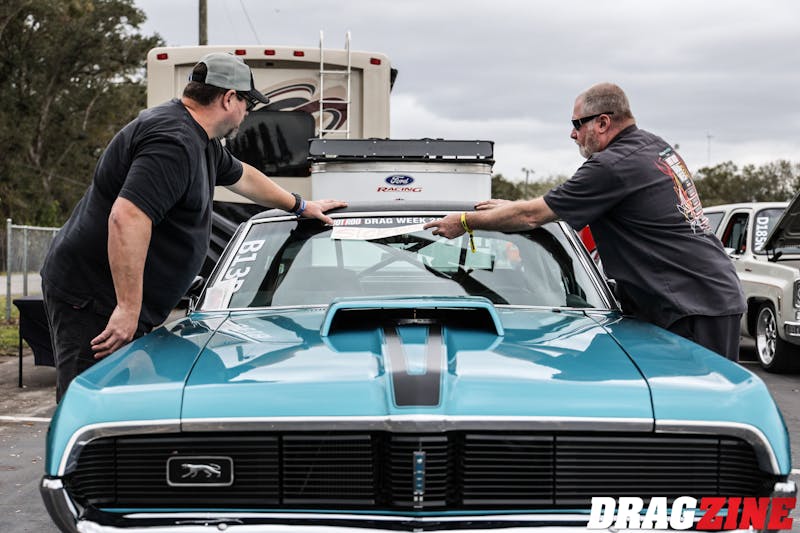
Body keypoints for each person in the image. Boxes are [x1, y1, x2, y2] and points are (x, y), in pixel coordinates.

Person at [41, 52, 346, 401]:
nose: (248, 113)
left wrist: (301, 205)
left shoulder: (201, 140)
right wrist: (127, 309)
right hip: (94, 298)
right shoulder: (174, 142)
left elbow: (244, 177)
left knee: (124, 397)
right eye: (247, 103)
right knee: (91, 399)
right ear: (228, 98)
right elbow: (127, 218)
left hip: (112, 297)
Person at [424, 82, 745, 361]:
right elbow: (547, 207)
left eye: (577, 124)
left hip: (692, 305)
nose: (573, 134)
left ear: (603, 122)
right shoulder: (652, 146)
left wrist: (465, 222)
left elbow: (532, 216)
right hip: (702, 294)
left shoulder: (612, 165)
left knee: (698, 396)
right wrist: (515, 207)